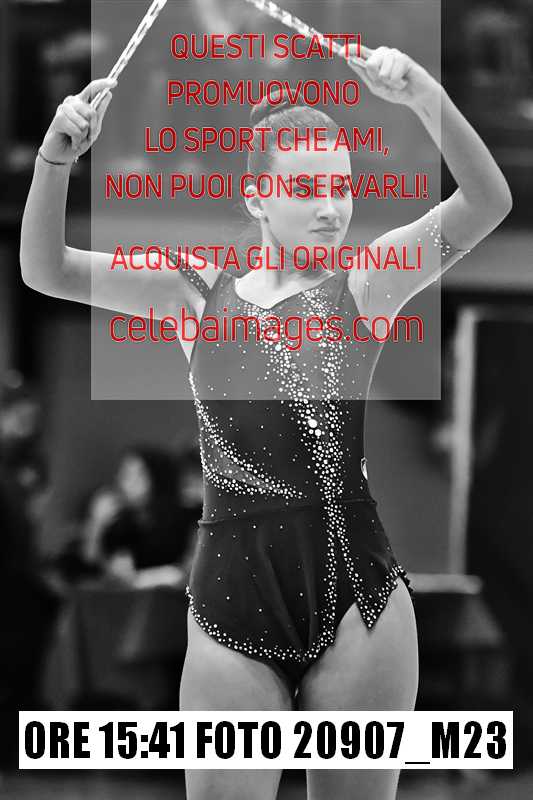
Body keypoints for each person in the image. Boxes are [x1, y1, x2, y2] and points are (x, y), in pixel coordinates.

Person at [19, 41, 512, 800]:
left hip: (359, 601)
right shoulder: (192, 294)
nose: (331, 207)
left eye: (341, 186)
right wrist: (55, 160)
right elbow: (45, 270)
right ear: (256, 197)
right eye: (307, 187)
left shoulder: (367, 285)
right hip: (230, 597)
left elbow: (487, 204)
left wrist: (423, 96)